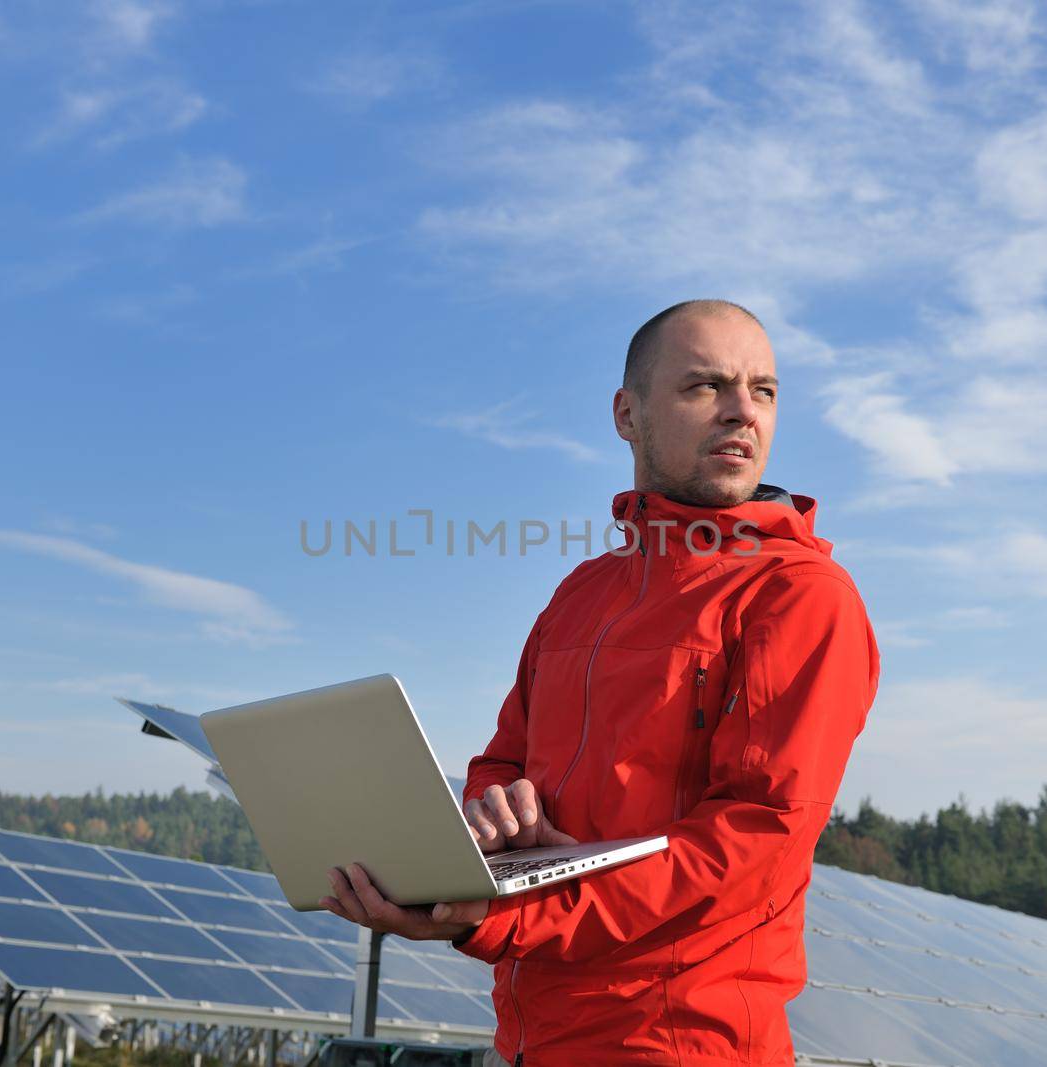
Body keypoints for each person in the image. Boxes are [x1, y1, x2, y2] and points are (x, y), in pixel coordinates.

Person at [321, 299, 881, 1066]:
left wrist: (492, 912)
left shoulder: (800, 595)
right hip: (532, 1039)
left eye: (764, 390)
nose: (742, 412)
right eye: (704, 387)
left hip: (681, 1045)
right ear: (627, 413)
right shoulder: (582, 593)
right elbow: (502, 762)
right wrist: (492, 818)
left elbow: (752, 846)